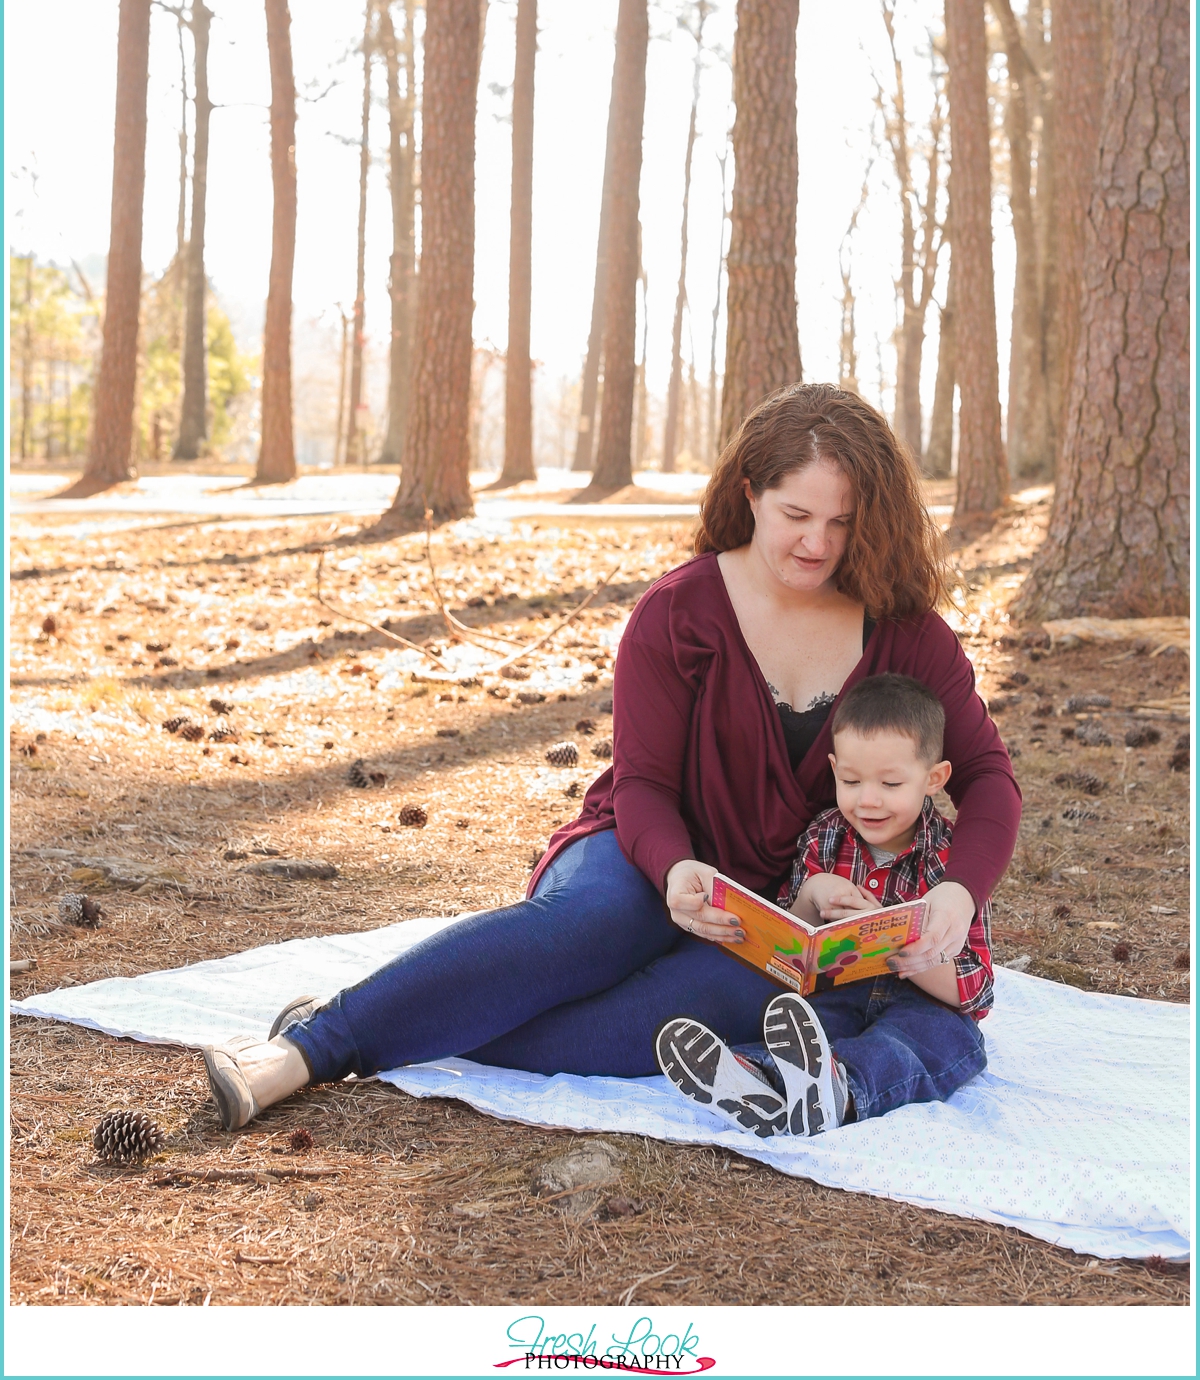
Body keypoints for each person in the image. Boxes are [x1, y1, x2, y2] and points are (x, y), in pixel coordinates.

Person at [201, 384, 1021, 1130]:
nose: (817, 543)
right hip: (645, 850)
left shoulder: (909, 635)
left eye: (841, 523)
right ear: (750, 494)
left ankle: (400, 1015)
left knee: (672, 1017)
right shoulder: (681, 611)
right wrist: (672, 874)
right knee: (599, 924)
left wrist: (957, 892)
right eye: (795, 514)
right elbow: (643, 786)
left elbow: (988, 779)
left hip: (774, 910)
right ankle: (312, 1045)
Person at [654, 672, 994, 1139]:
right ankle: (752, 1078)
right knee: (809, 1027)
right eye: (851, 780)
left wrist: (900, 949)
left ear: (933, 779)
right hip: (841, 993)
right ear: (834, 769)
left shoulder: (954, 859)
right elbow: (792, 948)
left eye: (891, 784)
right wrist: (810, 899)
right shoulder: (826, 836)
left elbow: (975, 992)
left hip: (929, 1005)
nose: (868, 800)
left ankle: (844, 1091)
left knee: (916, 1043)